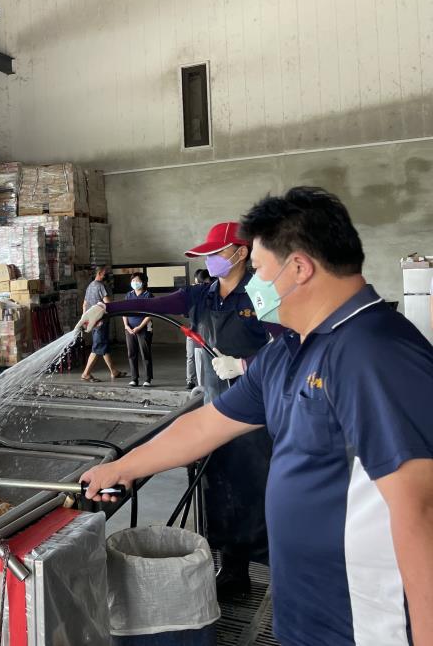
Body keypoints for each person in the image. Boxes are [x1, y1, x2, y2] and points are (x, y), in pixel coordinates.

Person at [80, 187, 433, 646]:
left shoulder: (375, 354)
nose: (255, 284)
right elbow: (208, 424)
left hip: (366, 625)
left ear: (300, 268)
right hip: (306, 615)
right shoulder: (289, 349)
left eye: (262, 270)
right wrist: (123, 467)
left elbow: (421, 515)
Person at [78, 221, 278, 597]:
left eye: (216, 253)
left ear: (240, 253)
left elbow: (292, 345)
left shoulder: (262, 292)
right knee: (219, 491)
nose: (211, 260)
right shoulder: (201, 296)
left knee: (260, 491)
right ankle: (233, 572)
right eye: (207, 255)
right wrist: (106, 308)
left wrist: (247, 365)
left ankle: (283, 577)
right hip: (214, 407)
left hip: (258, 414)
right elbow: (152, 304)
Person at [80, 266, 126, 382]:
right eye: (105, 273)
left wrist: (85, 319)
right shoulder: (100, 286)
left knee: (104, 346)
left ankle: (113, 371)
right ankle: (86, 373)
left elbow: (84, 304)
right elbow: (107, 304)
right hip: (100, 322)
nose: (107, 275)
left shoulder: (90, 286)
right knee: (97, 347)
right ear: (99, 273)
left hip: (93, 322)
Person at [123, 272, 154, 387]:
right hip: (129, 329)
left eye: (137, 281)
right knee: (131, 353)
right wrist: (126, 326)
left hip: (144, 329)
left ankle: (147, 379)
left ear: (143, 282)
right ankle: (134, 378)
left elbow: (151, 314)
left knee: (145, 353)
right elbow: (124, 312)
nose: (134, 283)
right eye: (133, 281)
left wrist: (140, 327)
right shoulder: (129, 295)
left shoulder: (148, 295)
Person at [185, 268, 212, 388]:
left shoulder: (212, 292)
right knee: (191, 357)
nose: (200, 285)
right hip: (193, 331)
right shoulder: (192, 293)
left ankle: (206, 384)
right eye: (198, 283)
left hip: (207, 333)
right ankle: (191, 380)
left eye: (203, 283)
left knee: (206, 357)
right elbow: (186, 312)